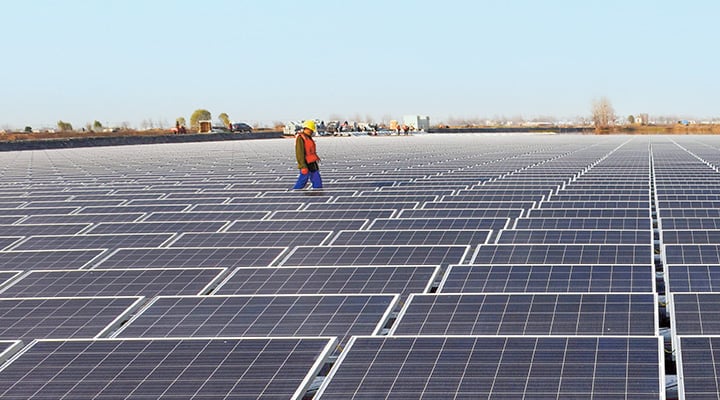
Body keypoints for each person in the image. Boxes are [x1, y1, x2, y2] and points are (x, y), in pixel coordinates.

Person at [292, 120, 323, 190]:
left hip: (312, 163)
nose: (311, 132)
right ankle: (294, 193)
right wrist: (302, 166)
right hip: (305, 163)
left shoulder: (308, 137)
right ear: (306, 129)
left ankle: (318, 194)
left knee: (317, 181)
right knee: (303, 180)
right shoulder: (301, 138)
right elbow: (299, 153)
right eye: (311, 130)